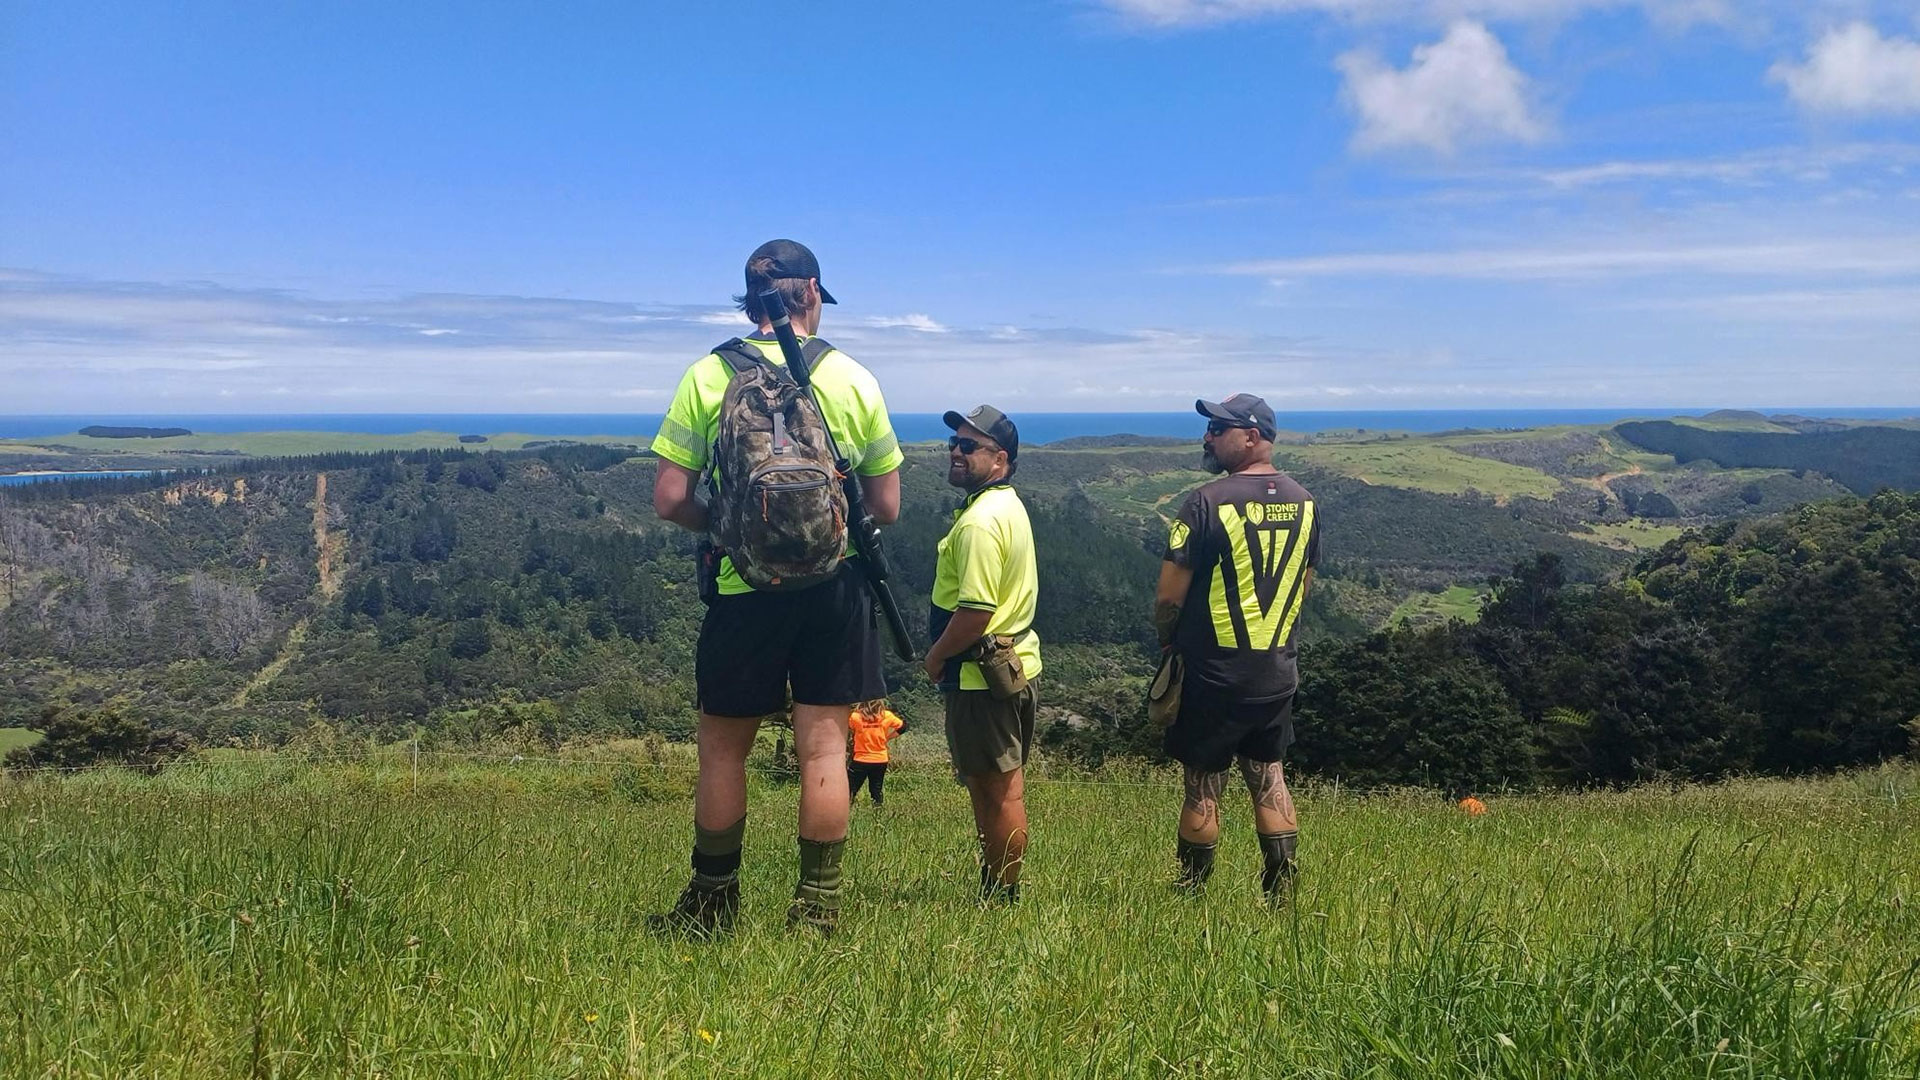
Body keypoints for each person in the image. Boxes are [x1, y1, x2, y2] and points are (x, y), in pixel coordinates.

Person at [649, 239, 903, 936]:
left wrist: (729, 529)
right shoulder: (854, 379)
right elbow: (885, 507)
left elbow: (670, 499)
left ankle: (711, 905)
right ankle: (817, 913)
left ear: (749, 299)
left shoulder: (709, 375)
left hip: (743, 588)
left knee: (724, 749)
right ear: (813, 292)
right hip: (835, 587)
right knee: (824, 747)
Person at [1154, 394, 1319, 900]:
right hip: (1276, 670)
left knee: (1201, 783)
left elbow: (1168, 596)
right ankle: (1281, 894)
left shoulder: (1204, 502)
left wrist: (1169, 645)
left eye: (1218, 429)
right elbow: (1303, 584)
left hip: (1214, 671)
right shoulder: (1306, 502)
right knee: (1269, 774)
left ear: (1251, 436)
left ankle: (1190, 895)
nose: (1208, 437)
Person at [923, 405, 1042, 904]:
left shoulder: (979, 523)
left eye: (969, 446)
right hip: (1015, 666)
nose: (955, 451)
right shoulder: (1008, 506)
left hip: (979, 676)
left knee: (997, 792)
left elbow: (974, 611)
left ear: (1001, 459)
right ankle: (998, 885)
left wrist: (935, 657)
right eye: (954, 443)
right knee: (999, 787)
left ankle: (1000, 895)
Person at [848, 700, 904, 807]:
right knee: (876, 790)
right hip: (880, 759)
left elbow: (847, 726)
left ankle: (846, 812)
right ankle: (877, 813)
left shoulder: (855, 717)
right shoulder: (887, 715)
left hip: (861, 759)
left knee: (850, 790)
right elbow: (903, 727)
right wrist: (887, 737)